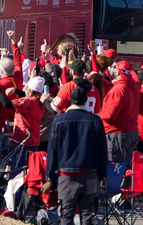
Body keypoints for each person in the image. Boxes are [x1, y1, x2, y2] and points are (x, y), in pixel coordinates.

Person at [44, 79, 108, 225]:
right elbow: (102, 151)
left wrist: (49, 178)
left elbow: (52, 151)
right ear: (86, 101)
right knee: (87, 216)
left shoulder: (59, 120)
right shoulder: (95, 121)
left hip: (66, 175)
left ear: (70, 100)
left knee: (66, 215)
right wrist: (102, 175)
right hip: (90, 174)